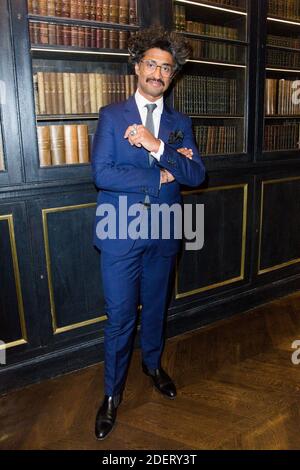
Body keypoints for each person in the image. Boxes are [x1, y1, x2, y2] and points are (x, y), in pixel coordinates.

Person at [92, 26, 206, 440]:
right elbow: (102, 174)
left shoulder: (178, 123)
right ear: (138, 67)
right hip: (120, 231)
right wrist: (161, 175)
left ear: (172, 76)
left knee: (156, 308)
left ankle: (153, 365)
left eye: (166, 68)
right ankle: (111, 395)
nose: (158, 72)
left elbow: (195, 174)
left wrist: (159, 146)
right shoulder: (111, 115)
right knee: (120, 318)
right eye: (152, 64)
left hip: (164, 231)